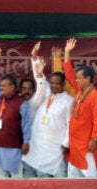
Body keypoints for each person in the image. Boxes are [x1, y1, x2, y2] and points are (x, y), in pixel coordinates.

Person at [22, 48, 73, 178]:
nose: (53, 86)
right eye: (52, 83)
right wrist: (34, 58)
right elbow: (39, 76)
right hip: (37, 144)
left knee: (58, 177)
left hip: (55, 147)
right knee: (35, 178)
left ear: (63, 84)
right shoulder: (46, 92)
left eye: (57, 84)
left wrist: (66, 143)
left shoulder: (68, 101)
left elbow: (70, 124)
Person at [0, 49, 32, 178]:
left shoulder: (21, 102)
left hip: (13, 145)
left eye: (5, 86)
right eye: (1, 86)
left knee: (16, 176)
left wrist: (26, 141)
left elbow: (26, 123)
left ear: (12, 87)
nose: (1, 88)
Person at [62, 38, 97, 178]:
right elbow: (68, 74)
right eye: (77, 78)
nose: (77, 80)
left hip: (86, 144)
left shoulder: (95, 95)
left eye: (79, 78)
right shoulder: (80, 92)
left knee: (89, 177)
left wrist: (94, 139)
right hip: (75, 144)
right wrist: (67, 52)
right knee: (73, 178)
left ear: (88, 79)